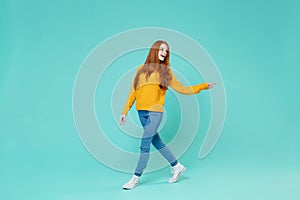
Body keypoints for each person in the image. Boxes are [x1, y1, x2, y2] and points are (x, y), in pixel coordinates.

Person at [120, 40, 216, 190]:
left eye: (166, 51)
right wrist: (125, 111)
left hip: (155, 112)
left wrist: (203, 86)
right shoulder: (140, 69)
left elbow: (182, 89)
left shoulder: (166, 72)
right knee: (157, 142)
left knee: (144, 145)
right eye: (162, 49)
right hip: (141, 112)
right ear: (154, 50)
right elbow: (133, 92)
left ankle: (135, 178)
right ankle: (177, 166)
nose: (164, 53)